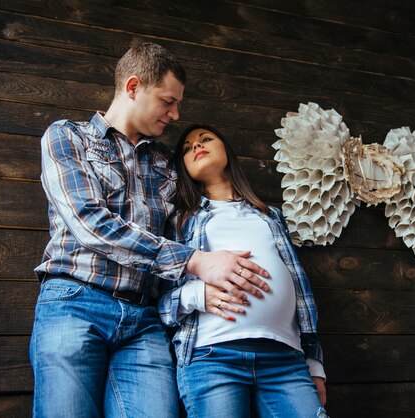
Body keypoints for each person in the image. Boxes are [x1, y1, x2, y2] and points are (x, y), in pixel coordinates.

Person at [29, 43, 270, 418]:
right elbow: (90, 222)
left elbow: (191, 228)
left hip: (144, 321)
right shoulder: (67, 137)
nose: (175, 115)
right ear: (132, 87)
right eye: (168, 101)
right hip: (75, 302)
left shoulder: (168, 166)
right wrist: (195, 262)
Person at [158, 124, 329, 418]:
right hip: (212, 356)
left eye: (206, 139)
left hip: (286, 359)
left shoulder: (270, 215)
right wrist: (198, 294)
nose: (196, 146)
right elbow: (159, 304)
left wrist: (314, 362)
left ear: (226, 148)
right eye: (187, 149)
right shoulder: (180, 221)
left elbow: (300, 290)